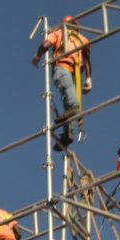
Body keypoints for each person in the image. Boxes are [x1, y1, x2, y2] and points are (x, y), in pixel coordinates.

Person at [31, 16, 92, 150]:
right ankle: (68, 131)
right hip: (76, 71)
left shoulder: (59, 33)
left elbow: (46, 45)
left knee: (70, 101)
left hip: (62, 67)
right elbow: (87, 59)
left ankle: (72, 117)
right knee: (68, 100)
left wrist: (37, 56)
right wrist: (88, 79)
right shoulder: (82, 39)